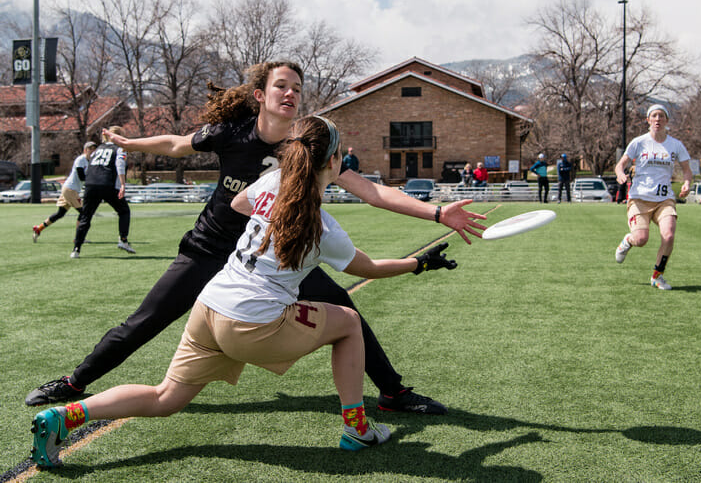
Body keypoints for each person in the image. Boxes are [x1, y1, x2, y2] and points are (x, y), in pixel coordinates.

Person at [25, 61, 485, 415]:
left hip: (275, 256)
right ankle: (75, 382)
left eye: (297, 89)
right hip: (211, 251)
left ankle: (393, 393)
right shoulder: (231, 132)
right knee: (147, 318)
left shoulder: (308, 145)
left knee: (347, 311)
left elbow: (373, 191)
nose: (290, 94)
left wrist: (439, 212)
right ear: (260, 95)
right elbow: (176, 144)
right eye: (282, 86)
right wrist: (130, 145)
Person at [29, 116, 460, 467]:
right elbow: (370, 268)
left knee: (166, 397)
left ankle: (65, 416)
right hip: (252, 322)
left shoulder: (269, 185)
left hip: (210, 307)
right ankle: (357, 429)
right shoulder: (323, 226)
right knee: (347, 322)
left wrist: (268, 221)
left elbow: (239, 205)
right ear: (332, 163)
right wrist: (418, 263)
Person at [613, 104, 692, 290]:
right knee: (641, 239)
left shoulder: (675, 145)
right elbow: (620, 164)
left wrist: (687, 183)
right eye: (654, 116)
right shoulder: (639, 142)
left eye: (661, 116)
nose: (658, 119)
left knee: (669, 234)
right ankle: (627, 241)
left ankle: (658, 276)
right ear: (648, 120)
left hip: (664, 200)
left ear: (666, 120)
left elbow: (687, 170)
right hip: (639, 199)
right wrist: (620, 174)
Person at [70, 127, 135, 259]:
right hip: (107, 184)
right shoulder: (119, 149)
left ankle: (76, 249)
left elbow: (90, 167)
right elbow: (120, 165)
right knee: (124, 211)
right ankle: (123, 240)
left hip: (90, 184)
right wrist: (122, 184)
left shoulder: (97, 149)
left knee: (86, 216)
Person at [32, 141, 97, 242]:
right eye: (90, 149)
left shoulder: (91, 161)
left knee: (60, 213)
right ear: (85, 150)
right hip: (70, 189)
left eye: (94, 149)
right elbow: (81, 176)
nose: (92, 151)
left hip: (70, 189)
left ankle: (39, 228)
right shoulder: (81, 159)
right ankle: (78, 238)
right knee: (84, 213)